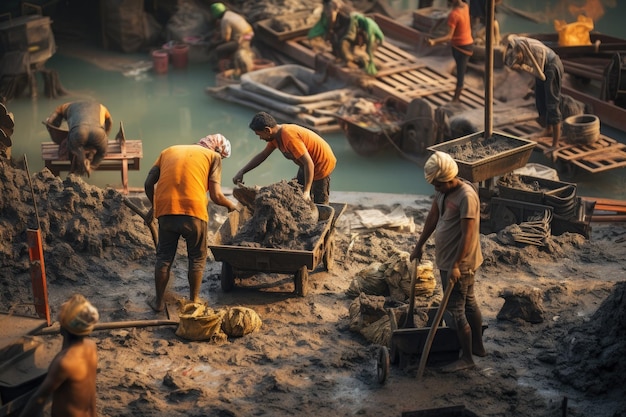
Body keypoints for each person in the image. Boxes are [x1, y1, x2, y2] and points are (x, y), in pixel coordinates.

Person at [410, 151, 486, 373]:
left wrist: (455, 265)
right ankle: (478, 347)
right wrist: (419, 244)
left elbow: (468, 235)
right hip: (449, 260)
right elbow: (433, 216)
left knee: (455, 310)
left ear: (449, 179)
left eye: (438, 185)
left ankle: (467, 358)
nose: (436, 189)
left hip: (460, 263)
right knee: (469, 301)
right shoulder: (444, 192)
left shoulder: (466, 197)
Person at [144, 137, 237, 312]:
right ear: (219, 151)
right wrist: (231, 205)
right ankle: (194, 300)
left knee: (163, 258)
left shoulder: (169, 150)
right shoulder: (214, 157)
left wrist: (154, 206)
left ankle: (158, 302)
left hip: (166, 210)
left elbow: (148, 183)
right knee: (196, 258)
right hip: (194, 211)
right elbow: (216, 196)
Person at [19, 294, 99, 417]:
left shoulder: (64, 363)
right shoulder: (91, 347)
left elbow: (39, 399)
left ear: (63, 326)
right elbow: (91, 392)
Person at [233, 111, 337, 204]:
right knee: (297, 193)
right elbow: (263, 155)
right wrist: (242, 171)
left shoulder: (289, 137)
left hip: (321, 163)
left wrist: (306, 192)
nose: (260, 138)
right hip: (304, 164)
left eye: (259, 135)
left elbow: (309, 164)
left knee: (319, 201)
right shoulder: (274, 137)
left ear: (267, 130)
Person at [504, 35, 563, 152]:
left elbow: (540, 73)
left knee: (552, 103)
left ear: (520, 53)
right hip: (543, 68)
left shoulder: (529, 50)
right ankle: (548, 128)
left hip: (552, 66)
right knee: (540, 98)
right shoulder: (517, 45)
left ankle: (555, 143)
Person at [308, 0, 384, 75]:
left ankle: (348, 60)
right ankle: (352, 58)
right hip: (350, 23)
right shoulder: (338, 3)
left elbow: (332, 17)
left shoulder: (332, 3)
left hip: (350, 23)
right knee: (344, 43)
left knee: (343, 43)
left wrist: (330, 30)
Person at [45, 100, 113, 176]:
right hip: (98, 132)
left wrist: (50, 126)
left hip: (79, 131)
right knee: (102, 152)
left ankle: (81, 158)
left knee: (73, 146)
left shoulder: (63, 107)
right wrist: (105, 136)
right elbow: (110, 122)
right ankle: (91, 166)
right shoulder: (101, 107)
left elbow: (50, 122)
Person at [427, 0, 474, 102]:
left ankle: (455, 99)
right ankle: (456, 96)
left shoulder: (454, 14)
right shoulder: (465, 6)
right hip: (468, 43)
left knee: (460, 74)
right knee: (460, 71)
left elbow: (449, 37)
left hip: (461, 47)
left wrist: (434, 42)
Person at [207, 2, 255, 70]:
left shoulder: (225, 20)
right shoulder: (230, 13)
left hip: (243, 40)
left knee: (219, 49)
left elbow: (226, 39)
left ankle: (223, 67)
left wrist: (213, 44)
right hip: (250, 35)